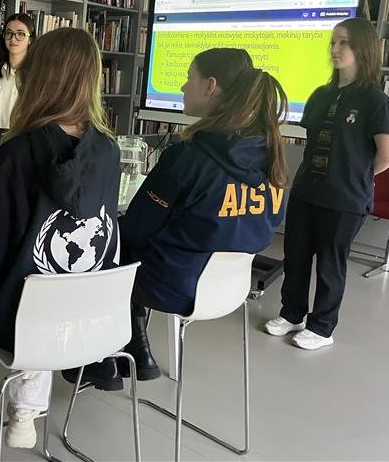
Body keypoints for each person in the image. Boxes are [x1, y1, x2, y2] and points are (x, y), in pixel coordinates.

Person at [0, 28, 121, 449]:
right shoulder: (109, 151)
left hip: (20, 323)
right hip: (89, 318)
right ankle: (29, 403)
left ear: (34, 79)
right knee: (47, 285)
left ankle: (26, 404)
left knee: (6, 283)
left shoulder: (15, 154)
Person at [110, 48, 289, 384]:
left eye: (188, 78)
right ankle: (137, 348)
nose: (181, 87)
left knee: (108, 247)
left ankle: (104, 357)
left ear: (210, 86)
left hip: (173, 285)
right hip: (231, 288)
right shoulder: (273, 159)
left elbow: (135, 229)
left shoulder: (187, 158)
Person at [266, 17, 389, 350]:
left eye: (344, 42)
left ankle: (322, 327)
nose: (335, 49)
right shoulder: (320, 94)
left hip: (345, 199)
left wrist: (356, 175)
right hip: (307, 191)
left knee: (329, 264)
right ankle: (292, 313)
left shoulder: (374, 100)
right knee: (295, 257)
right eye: (333, 42)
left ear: (362, 49)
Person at [0, 13, 36, 153]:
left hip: (24, 151)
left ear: (30, 40)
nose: (13, 39)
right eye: (9, 33)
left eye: (20, 34)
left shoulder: (37, 75)